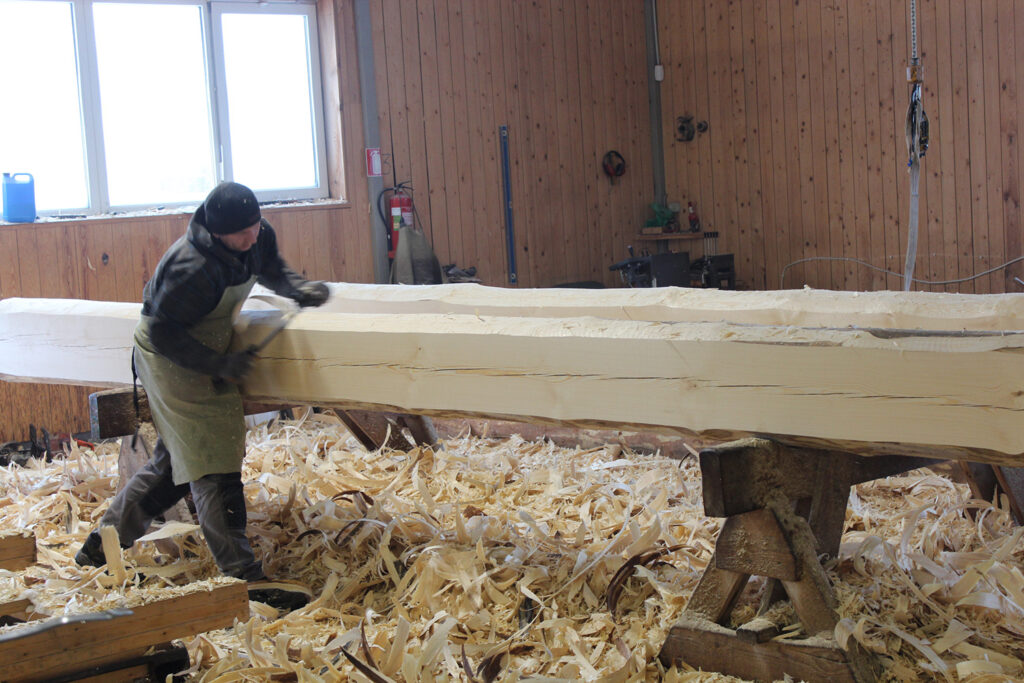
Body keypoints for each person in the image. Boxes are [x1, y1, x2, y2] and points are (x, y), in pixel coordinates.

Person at [75, 182, 329, 611]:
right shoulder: (189, 267)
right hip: (173, 357)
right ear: (216, 233)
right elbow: (163, 333)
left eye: (255, 227)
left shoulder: (254, 233)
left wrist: (296, 287)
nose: (252, 237)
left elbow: (267, 264)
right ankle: (242, 578)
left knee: (174, 463)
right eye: (242, 233)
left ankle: (101, 547)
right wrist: (220, 365)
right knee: (212, 464)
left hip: (207, 347)